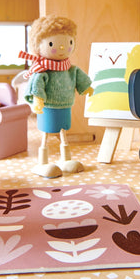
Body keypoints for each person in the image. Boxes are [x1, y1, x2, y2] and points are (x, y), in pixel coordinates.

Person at [20, 16, 93, 178]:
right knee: (46, 134)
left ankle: (66, 159)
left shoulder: (70, 69)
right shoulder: (42, 71)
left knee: (63, 132)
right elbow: (36, 85)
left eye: (69, 42)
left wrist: (86, 87)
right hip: (48, 108)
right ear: (38, 46)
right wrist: (38, 99)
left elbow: (79, 77)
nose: (62, 48)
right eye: (52, 44)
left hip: (65, 106)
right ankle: (43, 162)